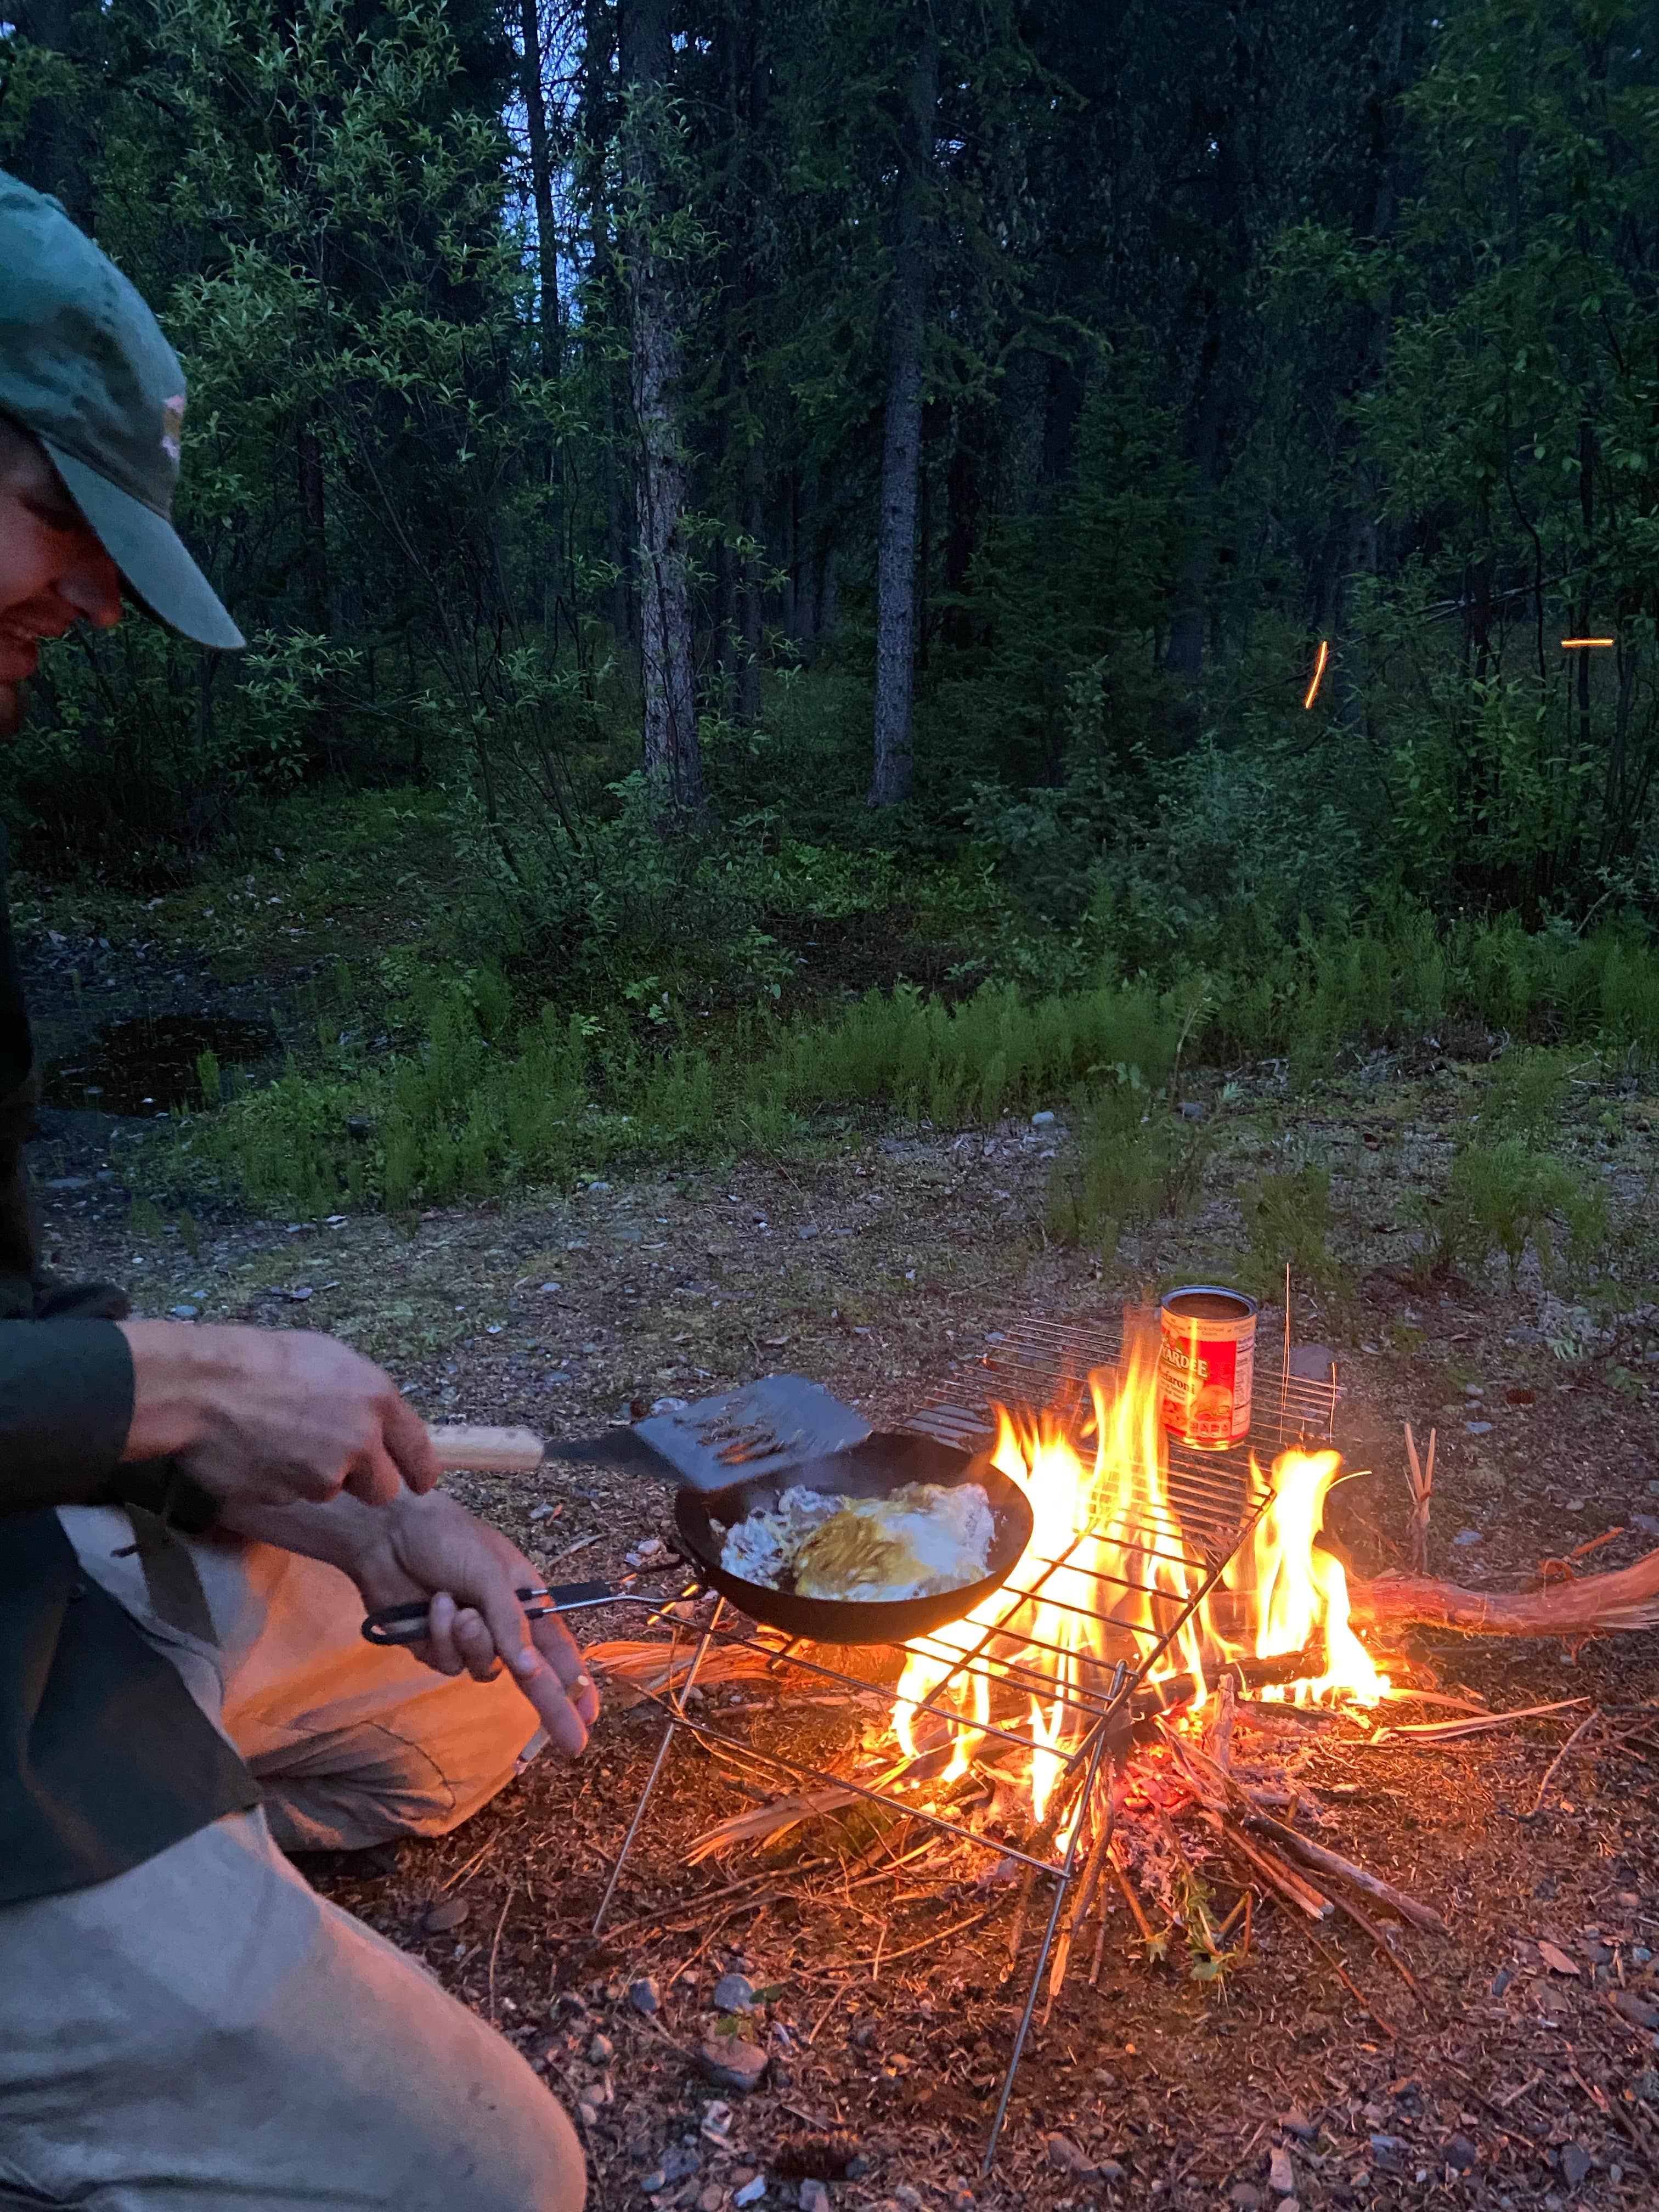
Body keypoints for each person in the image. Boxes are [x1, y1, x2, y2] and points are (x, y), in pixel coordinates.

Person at [0, 169, 595, 2209]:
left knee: (464, 1703)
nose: (92, 598)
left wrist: (364, 1517)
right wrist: (181, 1385)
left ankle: (188, 1844)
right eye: (59, 519)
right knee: (494, 2181)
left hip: (29, 1589)